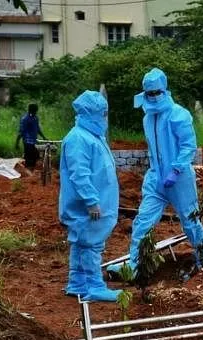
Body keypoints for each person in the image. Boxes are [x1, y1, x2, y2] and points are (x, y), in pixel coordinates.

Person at [107, 68, 203, 276]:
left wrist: (176, 170)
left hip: (179, 179)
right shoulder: (148, 118)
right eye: (148, 93)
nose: (152, 98)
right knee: (143, 221)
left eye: (155, 93)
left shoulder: (179, 115)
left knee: (190, 221)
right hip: (156, 178)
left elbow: (188, 147)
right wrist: (156, 174)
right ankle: (134, 265)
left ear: (164, 90)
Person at [59, 91, 121, 301]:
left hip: (96, 201)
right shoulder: (78, 139)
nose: (105, 118)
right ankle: (94, 286)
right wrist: (91, 201)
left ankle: (77, 283)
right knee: (91, 244)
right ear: (91, 113)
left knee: (81, 243)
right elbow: (80, 174)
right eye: (102, 113)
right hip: (88, 205)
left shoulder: (91, 136)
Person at [16, 103, 48, 170]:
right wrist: (17, 142)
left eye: (36, 111)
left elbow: (38, 129)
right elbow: (21, 131)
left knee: (35, 157)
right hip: (27, 141)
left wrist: (44, 137)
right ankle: (27, 172)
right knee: (30, 158)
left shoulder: (35, 118)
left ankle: (30, 171)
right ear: (30, 110)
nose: (35, 112)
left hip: (34, 141)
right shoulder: (25, 119)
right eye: (34, 111)